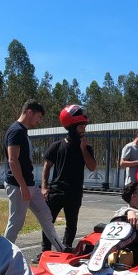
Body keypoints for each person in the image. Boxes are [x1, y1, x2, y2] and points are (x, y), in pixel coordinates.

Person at [3, 100, 66, 251]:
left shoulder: (22, 131)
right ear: (29, 112)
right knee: (16, 222)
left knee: (46, 215)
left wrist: (29, 187)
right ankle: (3, 254)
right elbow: (13, 161)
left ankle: (60, 248)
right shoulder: (16, 131)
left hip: (30, 185)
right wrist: (23, 187)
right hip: (18, 185)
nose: (39, 121)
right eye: (38, 117)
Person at [41, 104, 97, 251]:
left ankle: (66, 249)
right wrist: (44, 187)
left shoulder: (86, 147)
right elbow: (46, 167)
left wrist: (84, 149)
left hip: (75, 193)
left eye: (84, 126)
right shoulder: (57, 146)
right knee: (48, 222)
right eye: (80, 127)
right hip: (56, 191)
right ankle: (44, 251)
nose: (83, 129)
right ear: (71, 127)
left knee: (71, 225)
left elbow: (92, 167)